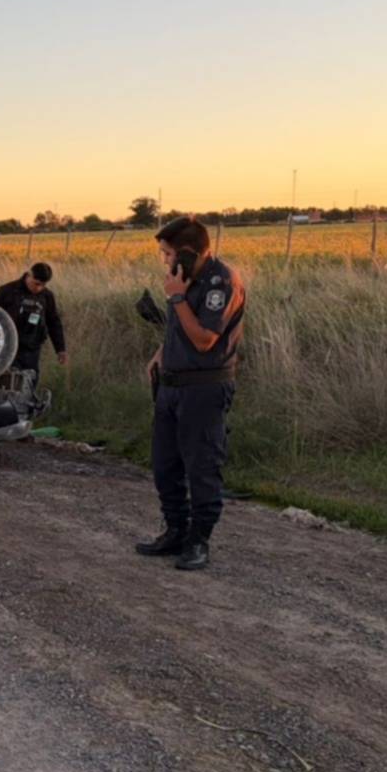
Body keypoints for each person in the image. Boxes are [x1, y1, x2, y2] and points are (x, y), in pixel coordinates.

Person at [135, 217, 246, 571]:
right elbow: (178, 331)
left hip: (204, 387)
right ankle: (175, 530)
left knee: (201, 467)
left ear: (187, 253)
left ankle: (199, 540)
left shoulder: (221, 281)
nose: (164, 261)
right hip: (171, 386)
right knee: (165, 466)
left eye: (167, 254)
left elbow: (204, 339)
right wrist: (160, 354)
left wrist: (178, 298)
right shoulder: (180, 282)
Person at [0, 262, 68, 387]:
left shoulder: (47, 296)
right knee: (9, 382)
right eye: (36, 283)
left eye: (43, 285)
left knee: (30, 381)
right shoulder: (8, 290)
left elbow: (54, 322)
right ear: (29, 275)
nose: (39, 288)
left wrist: (60, 349)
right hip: (8, 346)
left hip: (32, 348)